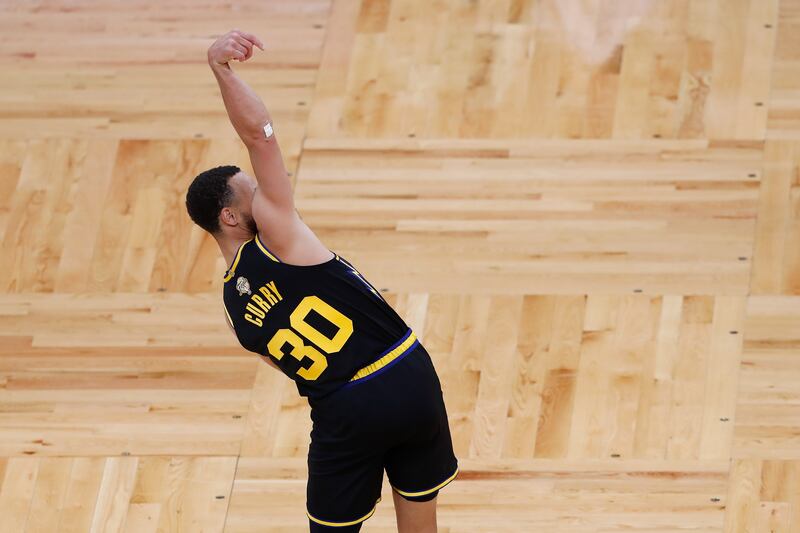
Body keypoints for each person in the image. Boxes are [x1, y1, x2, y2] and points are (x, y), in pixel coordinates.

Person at [185, 30, 459, 532]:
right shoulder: (281, 237)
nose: (268, 195)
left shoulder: (232, 309)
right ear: (230, 217)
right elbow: (259, 136)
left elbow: (287, 364)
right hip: (406, 373)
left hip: (343, 408)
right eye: (253, 194)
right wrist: (221, 71)